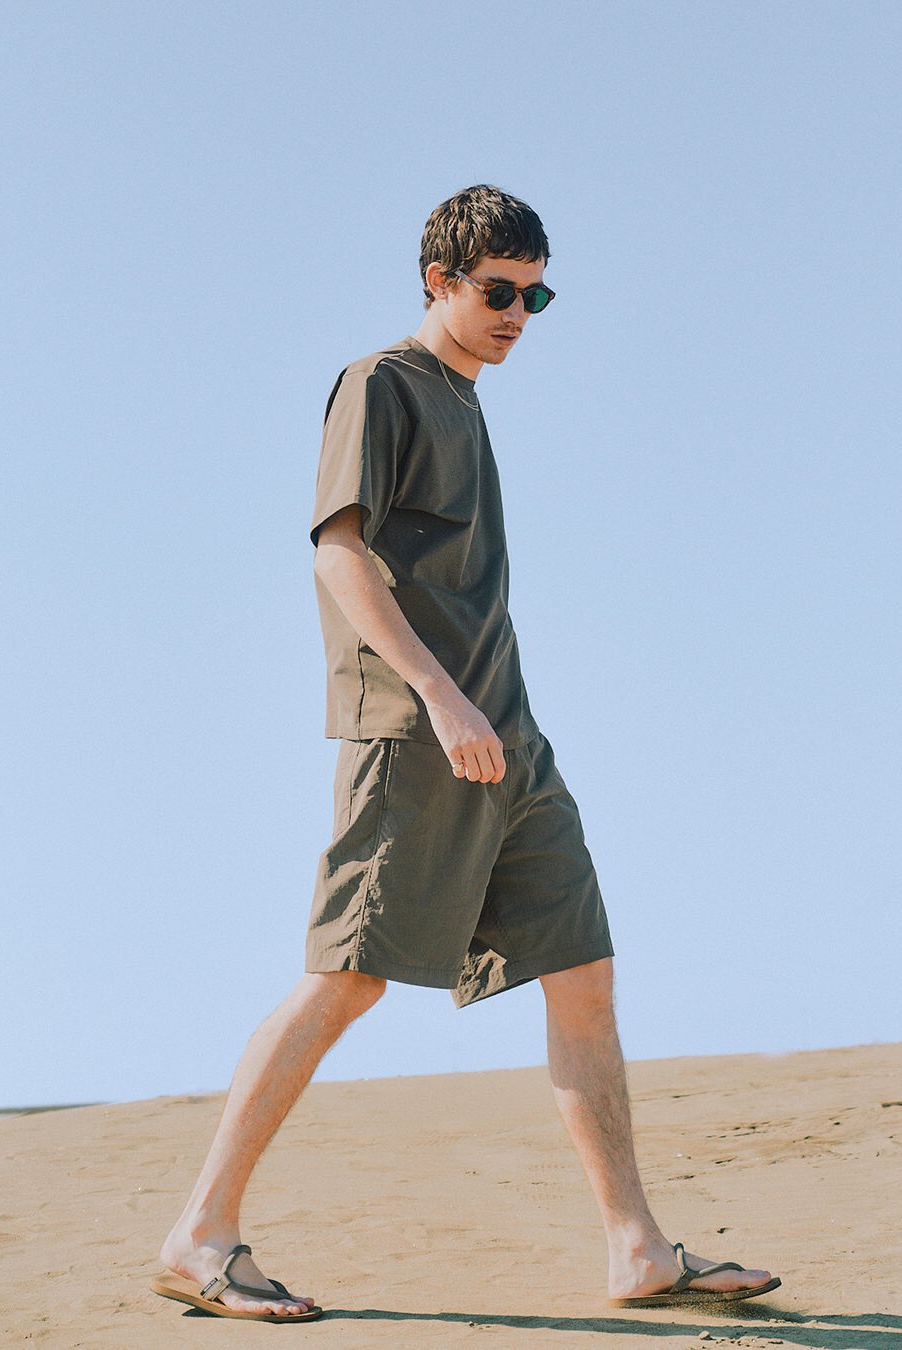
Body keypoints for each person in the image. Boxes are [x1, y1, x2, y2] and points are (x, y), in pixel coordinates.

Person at [150, 185, 780, 1323]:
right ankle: (200, 1233)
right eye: (498, 292)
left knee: (582, 972)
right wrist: (440, 698)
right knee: (348, 976)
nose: (518, 315)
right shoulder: (382, 384)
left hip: (511, 739)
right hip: (420, 733)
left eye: (536, 297)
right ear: (438, 280)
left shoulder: (466, 402)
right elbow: (339, 555)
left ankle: (638, 1249)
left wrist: (491, 714)